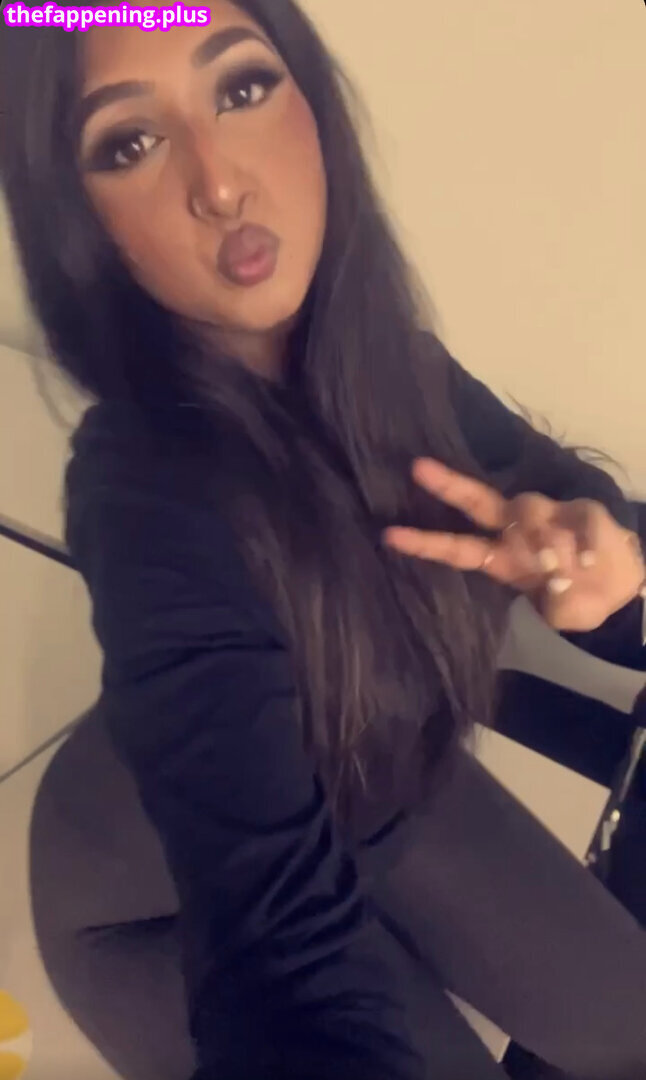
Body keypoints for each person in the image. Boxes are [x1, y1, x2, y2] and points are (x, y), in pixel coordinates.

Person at [2, 2, 645, 1077]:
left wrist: (609, 574)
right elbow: (276, 941)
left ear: (315, 103)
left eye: (242, 87)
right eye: (129, 142)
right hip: (147, 902)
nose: (218, 182)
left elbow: (567, 502)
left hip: (383, 786)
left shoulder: (397, 367)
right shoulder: (142, 492)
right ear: (80, 221)